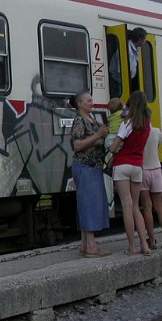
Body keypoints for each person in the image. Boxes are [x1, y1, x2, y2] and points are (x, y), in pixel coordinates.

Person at [108, 90, 151, 255]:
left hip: (123, 166)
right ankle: (145, 246)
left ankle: (132, 247)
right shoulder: (147, 124)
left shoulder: (127, 124)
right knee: (136, 207)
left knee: (126, 206)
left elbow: (113, 148)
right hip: (137, 167)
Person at [69, 91, 111, 258]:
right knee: (89, 206)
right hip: (85, 167)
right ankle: (92, 248)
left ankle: (86, 245)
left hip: (93, 168)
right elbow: (77, 145)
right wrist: (98, 135)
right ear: (80, 104)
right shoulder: (80, 120)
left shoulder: (91, 119)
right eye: (88, 100)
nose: (92, 102)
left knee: (89, 205)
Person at [140, 126, 162, 250]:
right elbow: (160, 143)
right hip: (156, 170)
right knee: (159, 206)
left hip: (143, 171)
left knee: (147, 207)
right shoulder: (156, 131)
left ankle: (152, 240)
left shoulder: (137, 131)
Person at [109, 27, 147, 94]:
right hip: (118, 83)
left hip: (125, 82)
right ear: (140, 39)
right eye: (144, 39)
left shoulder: (136, 49)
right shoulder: (126, 49)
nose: (145, 41)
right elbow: (121, 71)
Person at [103, 97, 125, 167]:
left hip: (110, 137)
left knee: (111, 147)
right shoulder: (121, 114)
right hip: (118, 135)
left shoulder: (110, 117)